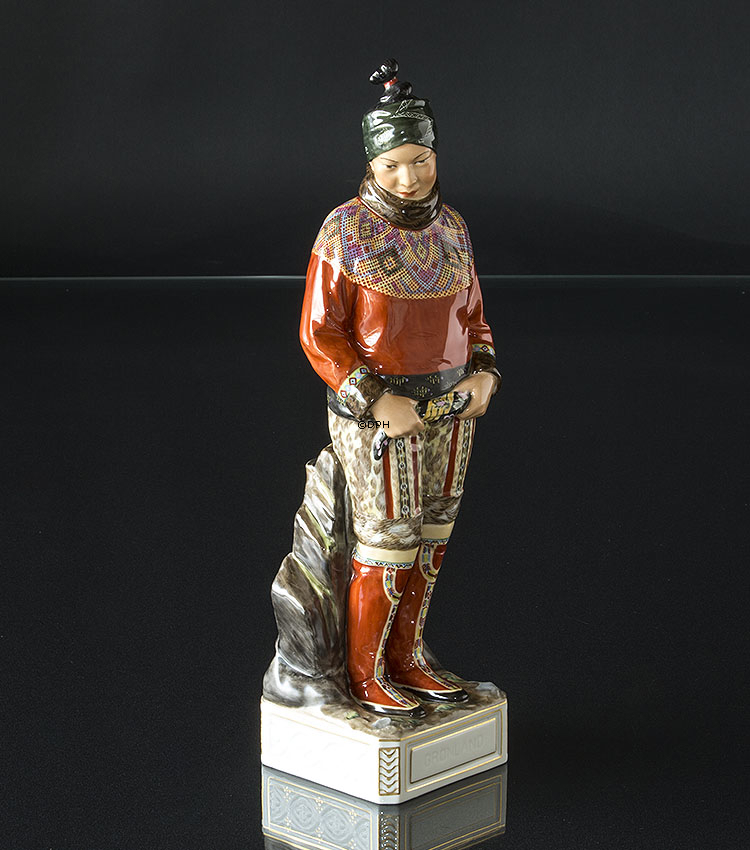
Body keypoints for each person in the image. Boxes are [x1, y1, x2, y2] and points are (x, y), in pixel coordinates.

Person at [299, 60, 501, 717]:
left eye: (420, 161)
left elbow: (474, 319)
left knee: (433, 538)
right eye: (392, 166)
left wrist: (484, 372)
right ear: (372, 164)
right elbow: (319, 335)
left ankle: (406, 655)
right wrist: (375, 399)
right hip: (380, 414)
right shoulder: (345, 231)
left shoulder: (453, 230)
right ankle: (364, 672)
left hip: (451, 408)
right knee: (389, 540)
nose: (409, 179)